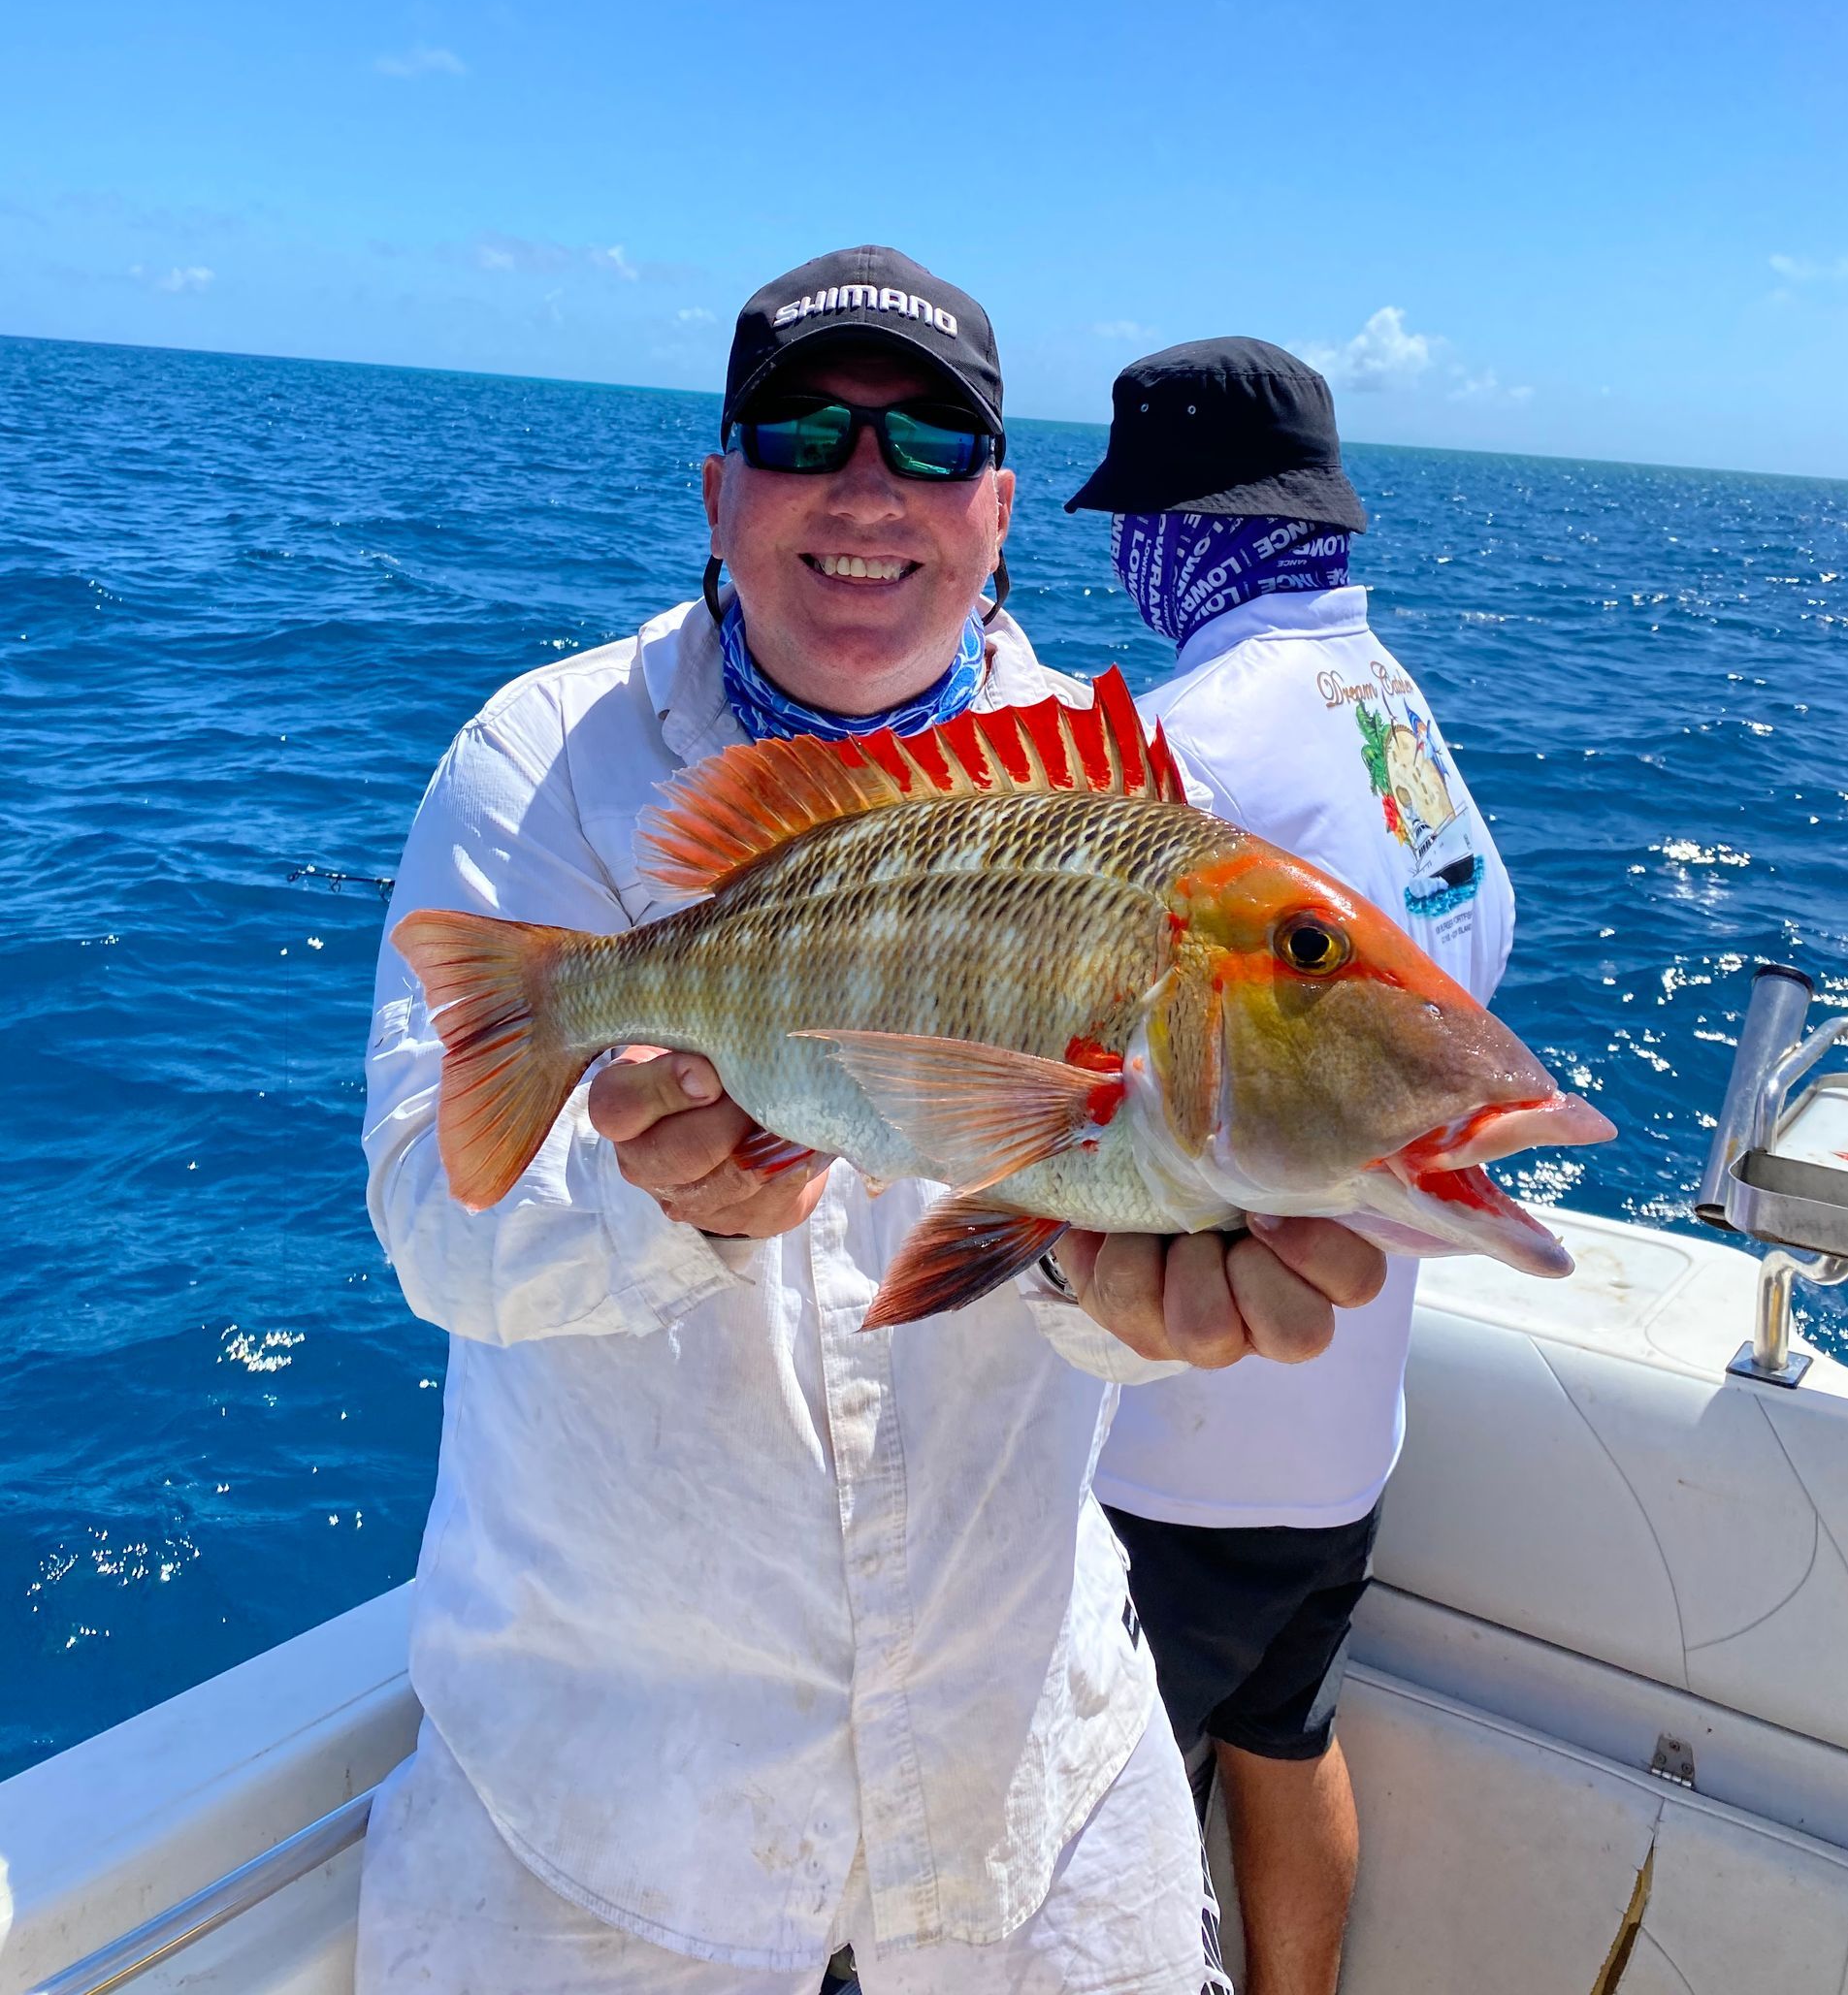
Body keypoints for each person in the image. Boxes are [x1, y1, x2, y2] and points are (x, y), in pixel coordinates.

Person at [355, 252, 1383, 1995]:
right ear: (719, 487)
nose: (863, 486)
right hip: (602, 1828)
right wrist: (660, 1208)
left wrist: (1118, 1296)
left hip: (1027, 1807)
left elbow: (1096, 1241)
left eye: (927, 447)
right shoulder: (536, 766)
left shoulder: (1141, 814)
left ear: (996, 509)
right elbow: (431, 1218)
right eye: (803, 428)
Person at [1068, 338, 1516, 1995]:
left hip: (1185, 1447)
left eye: (1133, 518)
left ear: (1182, 530)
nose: (1119, 553)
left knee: (1079, 1844)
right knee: (1285, 1730)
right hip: (1351, 1427)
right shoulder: (1396, 705)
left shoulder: (1186, 748)